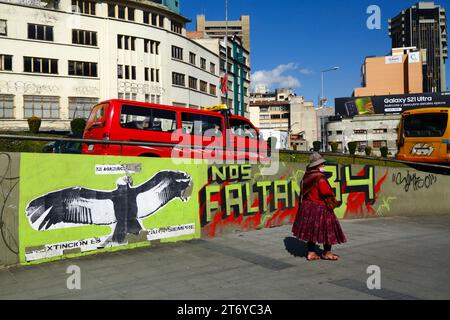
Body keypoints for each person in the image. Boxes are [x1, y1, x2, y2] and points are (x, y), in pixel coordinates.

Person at [292, 152, 347, 261]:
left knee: (311, 231)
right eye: (322, 165)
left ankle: (311, 252)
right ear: (317, 166)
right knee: (328, 230)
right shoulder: (320, 178)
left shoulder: (307, 176)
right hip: (321, 207)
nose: (323, 166)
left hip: (308, 207)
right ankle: (327, 252)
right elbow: (326, 192)